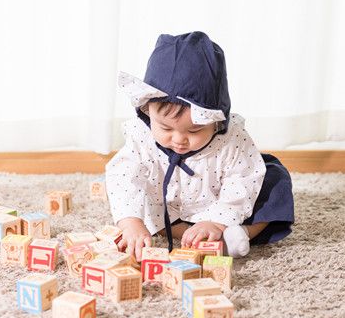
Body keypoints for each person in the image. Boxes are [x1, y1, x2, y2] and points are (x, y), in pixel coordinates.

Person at [106, 31, 294, 261]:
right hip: (170, 208)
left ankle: (240, 234)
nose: (178, 140)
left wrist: (216, 220)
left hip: (222, 201)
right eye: (165, 128)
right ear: (147, 111)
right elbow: (123, 176)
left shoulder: (231, 139)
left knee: (274, 180)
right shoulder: (141, 137)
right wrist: (131, 223)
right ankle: (189, 236)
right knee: (139, 203)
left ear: (216, 122)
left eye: (194, 131)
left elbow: (243, 179)